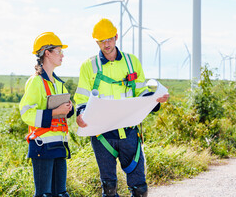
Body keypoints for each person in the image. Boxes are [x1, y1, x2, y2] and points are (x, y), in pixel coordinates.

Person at [74, 18, 169, 197]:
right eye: (102, 41)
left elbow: (141, 91)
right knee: (109, 189)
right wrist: (80, 113)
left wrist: (155, 100)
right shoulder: (88, 66)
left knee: (140, 188)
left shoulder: (131, 62)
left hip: (129, 132)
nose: (106, 44)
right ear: (96, 42)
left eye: (109, 39)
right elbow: (82, 97)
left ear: (116, 37)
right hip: (102, 135)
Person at [19, 32, 74, 197]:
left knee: (61, 194)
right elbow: (25, 113)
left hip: (59, 145)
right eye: (59, 51)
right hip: (42, 146)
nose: (62, 55)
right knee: (45, 194)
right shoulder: (35, 82)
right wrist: (56, 112)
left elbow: (66, 113)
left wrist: (69, 109)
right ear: (47, 53)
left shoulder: (59, 83)